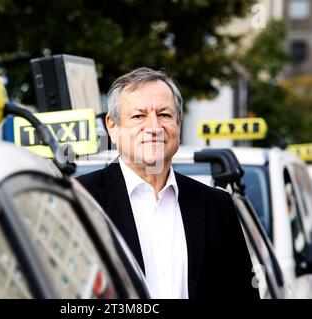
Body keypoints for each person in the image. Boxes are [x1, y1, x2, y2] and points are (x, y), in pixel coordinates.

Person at [77, 67, 259, 299]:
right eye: (138, 116)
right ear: (112, 126)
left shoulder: (217, 206)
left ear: (178, 125)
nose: (154, 128)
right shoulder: (81, 200)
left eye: (164, 115)